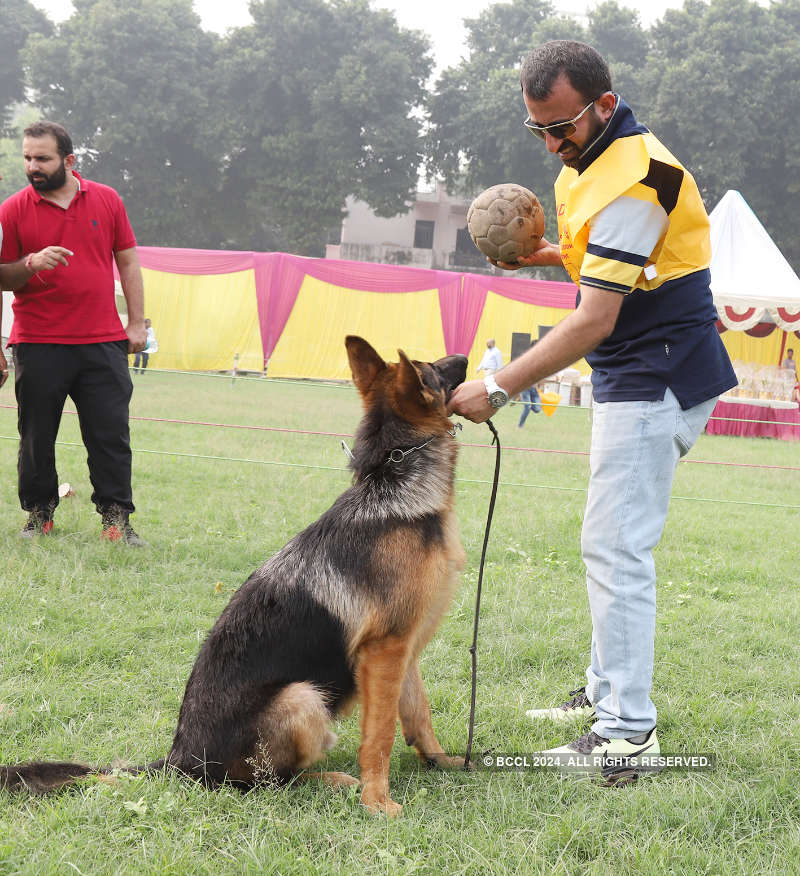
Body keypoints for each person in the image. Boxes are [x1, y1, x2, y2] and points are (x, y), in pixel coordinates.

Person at [448, 41, 736, 780]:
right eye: (537, 130)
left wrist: (500, 386)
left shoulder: (639, 178)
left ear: (605, 106)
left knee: (616, 550)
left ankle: (627, 737)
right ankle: (605, 699)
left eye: (562, 127)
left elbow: (594, 319)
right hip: (639, 372)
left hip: (656, 374)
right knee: (609, 544)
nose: (550, 144)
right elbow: (609, 263)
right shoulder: (593, 161)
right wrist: (538, 256)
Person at [0, 120, 147, 545]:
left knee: (110, 435)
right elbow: (1, 277)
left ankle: (116, 521)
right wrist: (30, 263)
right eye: (27, 158)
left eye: (42, 158)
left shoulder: (106, 199)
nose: (33, 166)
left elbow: (129, 262)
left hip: (102, 341)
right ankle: (39, 515)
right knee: (36, 436)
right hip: (37, 341)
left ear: (68, 159)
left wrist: (136, 322)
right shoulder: (12, 210)